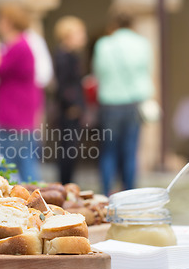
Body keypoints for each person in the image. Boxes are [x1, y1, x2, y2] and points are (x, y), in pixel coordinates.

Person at [93, 12, 153, 196]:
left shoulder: (104, 44)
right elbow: (146, 71)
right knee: (130, 150)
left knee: (109, 150)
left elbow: (98, 72)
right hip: (133, 102)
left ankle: (105, 193)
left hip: (110, 102)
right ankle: (129, 194)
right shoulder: (142, 43)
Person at [0, 4, 40, 182]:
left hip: (14, 113)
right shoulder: (19, 44)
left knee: (5, 165)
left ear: (9, 22)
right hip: (19, 112)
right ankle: (39, 199)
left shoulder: (18, 46)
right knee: (25, 162)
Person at [53, 16, 87, 185]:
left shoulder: (70, 56)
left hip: (73, 107)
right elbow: (63, 84)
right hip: (69, 109)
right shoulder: (64, 56)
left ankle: (68, 182)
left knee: (71, 148)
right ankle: (65, 183)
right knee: (68, 148)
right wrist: (72, 104)